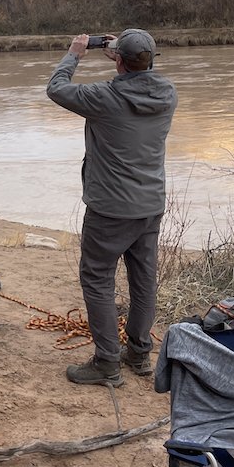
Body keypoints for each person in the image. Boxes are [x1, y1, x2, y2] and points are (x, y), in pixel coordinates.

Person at [46, 29, 178, 386]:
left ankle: (106, 363)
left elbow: (56, 88)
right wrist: (123, 56)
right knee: (144, 279)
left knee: (97, 278)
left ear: (118, 61)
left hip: (109, 208)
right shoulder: (167, 93)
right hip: (150, 204)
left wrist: (75, 53)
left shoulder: (104, 96)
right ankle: (138, 353)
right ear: (150, 60)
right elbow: (137, 76)